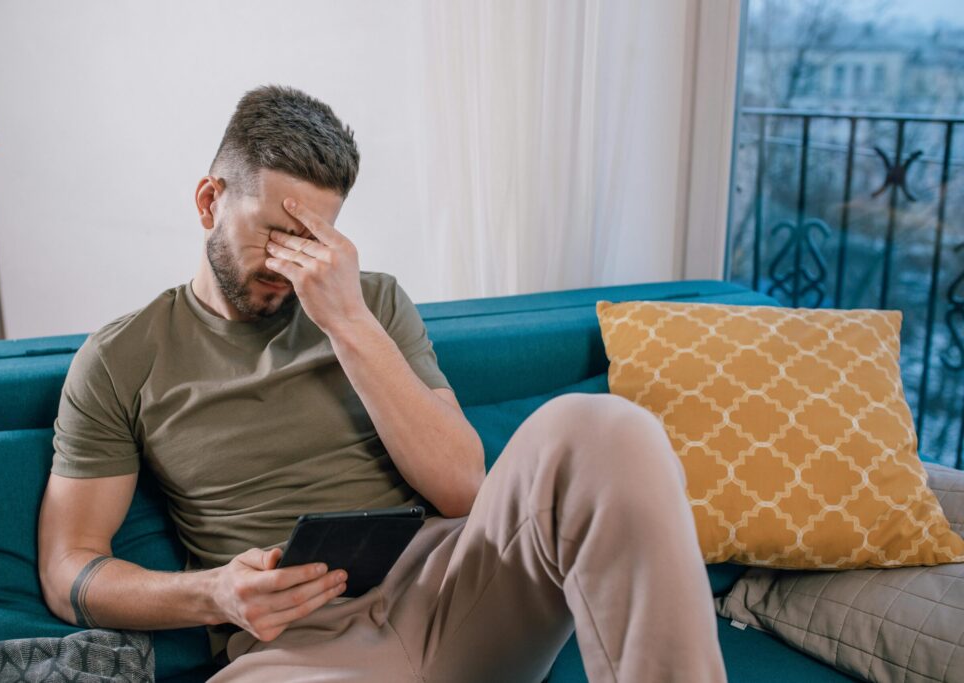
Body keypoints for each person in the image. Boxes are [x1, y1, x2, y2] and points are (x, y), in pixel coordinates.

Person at [36, 84, 727, 682]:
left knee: (604, 428)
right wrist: (214, 593)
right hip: (291, 651)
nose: (289, 262)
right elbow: (68, 569)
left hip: (455, 596)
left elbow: (463, 488)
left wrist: (347, 322)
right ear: (209, 201)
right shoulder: (122, 358)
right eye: (273, 233)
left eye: (311, 238)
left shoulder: (372, 304)